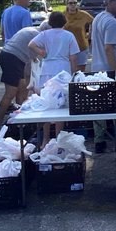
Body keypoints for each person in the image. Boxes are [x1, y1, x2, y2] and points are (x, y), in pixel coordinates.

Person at [28, 11, 80, 145]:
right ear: (64, 22)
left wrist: (41, 52)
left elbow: (31, 44)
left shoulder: (44, 34)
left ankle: (45, 139)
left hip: (47, 69)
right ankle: (58, 138)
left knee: (47, 105)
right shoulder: (69, 36)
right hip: (63, 70)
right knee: (60, 106)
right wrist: (76, 73)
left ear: (50, 22)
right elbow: (74, 58)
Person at [89, 0, 116, 152]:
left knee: (99, 107)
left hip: (97, 70)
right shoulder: (112, 22)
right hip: (111, 71)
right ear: (109, 3)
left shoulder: (98, 18)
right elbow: (109, 48)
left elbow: (91, 39)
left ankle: (99, 141)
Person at [0, 24, 39, 126]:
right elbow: (30, 64)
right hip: (12, 58)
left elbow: (29, 64)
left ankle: (20, 121)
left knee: (23, 88)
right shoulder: (38, 37)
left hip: (11, 56)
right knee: (11, 93)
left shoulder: (32, 30)